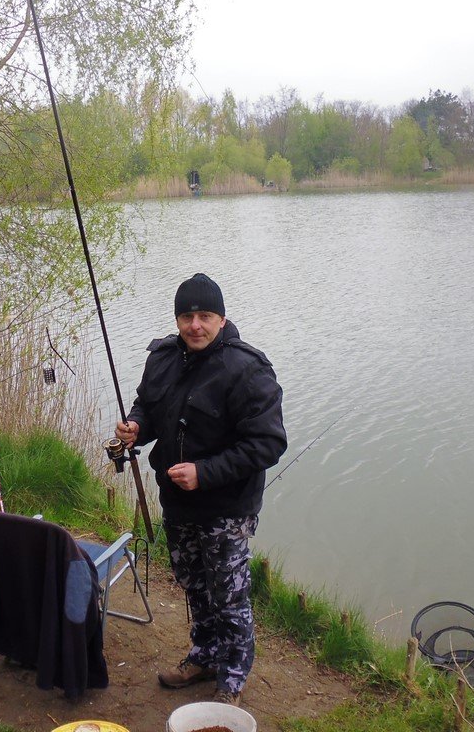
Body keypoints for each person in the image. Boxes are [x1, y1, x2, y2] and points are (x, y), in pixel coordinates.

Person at [115, 273, 287, 707]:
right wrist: (137, 427)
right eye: (187, 317)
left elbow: (268, 444)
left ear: (221, 319)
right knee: (194, 584)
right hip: (178, 502)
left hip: (226, 506)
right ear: (177, 320)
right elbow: (148, 406)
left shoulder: (247, 369)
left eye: (205, 316)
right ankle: (205, 655)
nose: (195, 325)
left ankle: (232, 677)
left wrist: (205, 473)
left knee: (229, 595)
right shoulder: (164, 358)